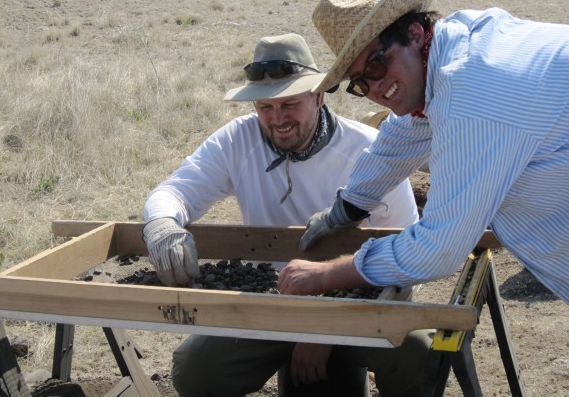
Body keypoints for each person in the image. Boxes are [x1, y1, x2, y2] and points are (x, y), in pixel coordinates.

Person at [278, 0, 569, 397]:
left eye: (375, 64)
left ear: (414, 31)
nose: (374, 88)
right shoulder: (454, 48)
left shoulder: (474, 89)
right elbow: (404, 134)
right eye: (359, 83)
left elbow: (439, 249)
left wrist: (326, 275)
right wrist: (346, 208)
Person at [142, 33, 431, 397]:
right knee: (196, 369)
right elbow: (174, 190)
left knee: (419, 353)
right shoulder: (237, 141)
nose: (278, 119)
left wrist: (325, 326)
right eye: (265, 108)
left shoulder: (369, 151)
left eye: (290, 104)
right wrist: (161, 224)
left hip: (356, 305)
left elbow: (404, 264)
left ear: (318, 96)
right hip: (268, 304)